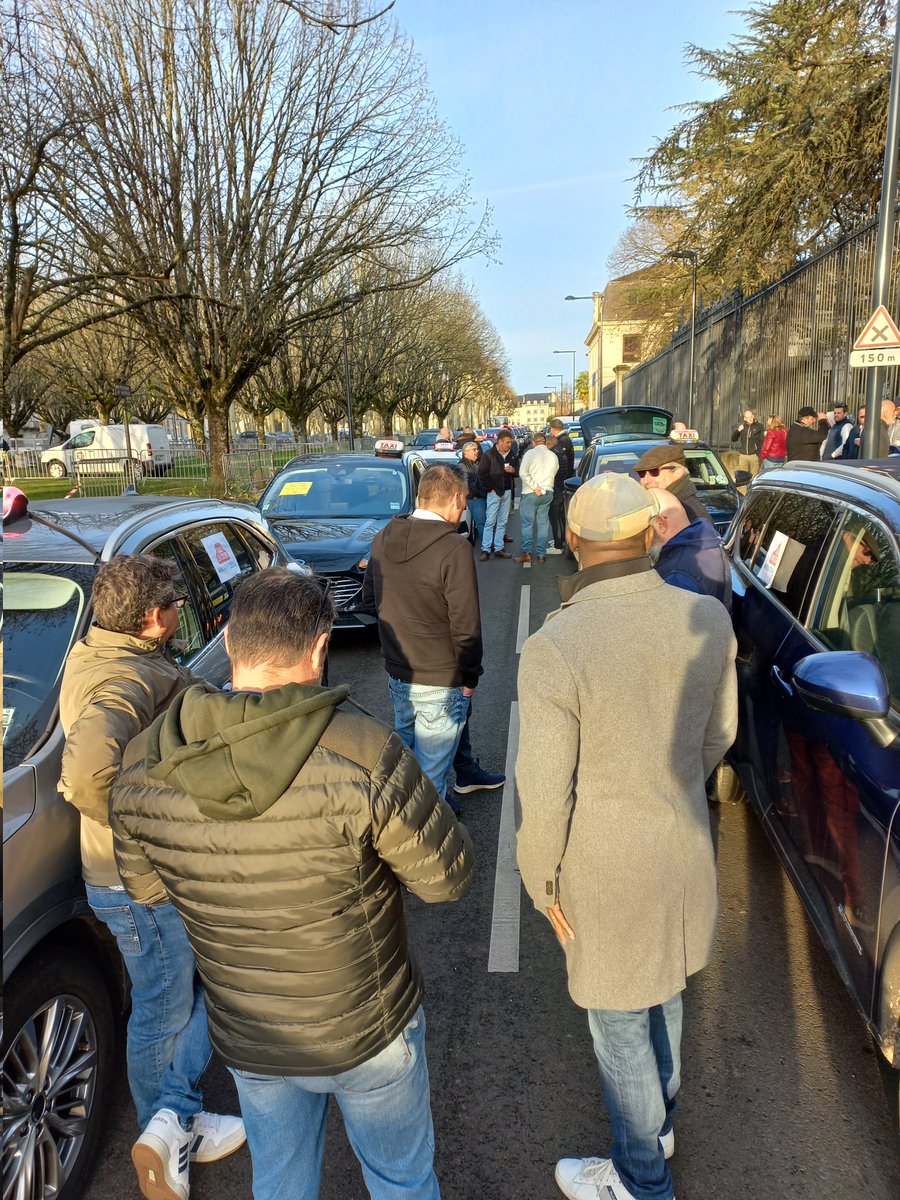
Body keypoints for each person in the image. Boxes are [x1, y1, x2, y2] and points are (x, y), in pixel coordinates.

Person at [110, 568, 473, 1200]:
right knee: (401, 1181)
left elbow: (147, 890)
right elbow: (446, 879)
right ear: (318, 648)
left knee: (279, 1182)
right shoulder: (364, 751)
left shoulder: (142, 765)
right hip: (367, 1025)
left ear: (228, 642)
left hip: (249, 1028)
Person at [515, 473, 737, 1200]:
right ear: (649, 534)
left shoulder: (557, 644)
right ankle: (658, 1132)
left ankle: (642, 1180)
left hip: (603, 865)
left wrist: (540, 877)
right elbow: (720, 736)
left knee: (618, 1026)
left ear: (573, 543)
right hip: (683, 846)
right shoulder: (707, 619)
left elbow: (544, 791)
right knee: (665, 992)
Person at [58, 555, 245, 1200]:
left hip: (132, 877)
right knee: (165, 1008)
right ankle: (165, 1131)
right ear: (152, 618)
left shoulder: (103, 653)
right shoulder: (125, 678)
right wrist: (148, 822)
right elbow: (86, 773)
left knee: (171, 999)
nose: (181, 612)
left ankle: (175, 1116)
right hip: (140, 881)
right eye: (174, 603)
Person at [363, 464, 483, 804]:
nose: (464, 508)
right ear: (456, 498)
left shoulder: (383, 536)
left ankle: (404, 831)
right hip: (441, 679)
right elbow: (466, 625)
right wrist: (470, 676)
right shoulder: (454, 549)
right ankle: (427, 847)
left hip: (399, 674)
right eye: (465, 501)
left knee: (411, 767)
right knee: (432, 782)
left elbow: (370, 599)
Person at [649, 490, 732, 612]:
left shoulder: (676, 576)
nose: (643, 536)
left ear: (660, 524)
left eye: (645, 528)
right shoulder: (705, 542)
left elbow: (672, 625)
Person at [633, 443, 713, 525]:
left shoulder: (693, 514)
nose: (646, 480)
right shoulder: (653, 505)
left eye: (654, 472)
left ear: (678, 472)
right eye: (641, 473)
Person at [515, 432, 559, 564]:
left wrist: (535, 487)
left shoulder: (530, 453)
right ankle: (541, 554)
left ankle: (527, 553)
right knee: (543, 523)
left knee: (528, 524)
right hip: (548, 492)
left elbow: (522, 473)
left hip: (531, 492)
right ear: (545, 442)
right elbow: (555, 471)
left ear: (533, 442)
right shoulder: (553, 455)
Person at [477, 429, 517, 559]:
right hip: (494, 492)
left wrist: (513, 470)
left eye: (510, 442)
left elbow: (518, 470)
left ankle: (499, 547)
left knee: (503, 521)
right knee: (490, 521)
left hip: (507, 491)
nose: (509, 445)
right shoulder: (489, 455)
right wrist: (490, 488)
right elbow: (482, 474)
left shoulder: (512, 455)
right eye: (507, 442)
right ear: (499, 442)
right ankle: (486, 549)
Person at [459, 439, 487, 544]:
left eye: (477, 449)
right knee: (481, 522)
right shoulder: (463, 465)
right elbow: (463, 483)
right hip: (475, 498)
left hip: (481, 496)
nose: (477, 451)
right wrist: (472, 495)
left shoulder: (476, 463)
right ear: (466, 452)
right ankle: (487, 544)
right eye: (474, 449)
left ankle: (488, 543)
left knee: (485, 521)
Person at [544, 433, 566, 555]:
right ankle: (560, 540)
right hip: (561, 488)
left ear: (549, 444)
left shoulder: (552, 455)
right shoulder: (561, 454)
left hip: (555, 489)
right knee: (560, 519)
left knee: (555, 519)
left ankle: (558, 546)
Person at [730, 408, 764, 476]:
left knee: (754, 476)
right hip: (743, 455)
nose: (750, 419)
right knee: (742, 476)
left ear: (753, 416)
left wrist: (758, 453)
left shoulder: (759, 426)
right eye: (748, 417)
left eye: (751, 416)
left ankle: (752, 486)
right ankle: (743, 487)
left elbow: (762, 440)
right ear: (745, 418)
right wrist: (738, 431)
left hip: (754, 455)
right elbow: (733, 439)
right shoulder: (742, 426)